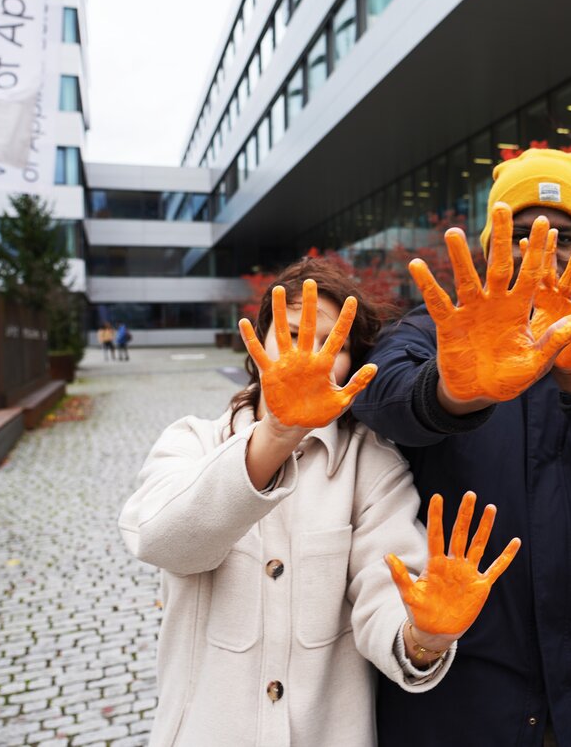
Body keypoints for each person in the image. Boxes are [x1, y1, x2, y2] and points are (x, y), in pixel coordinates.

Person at [119, 258, 520, 746]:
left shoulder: (369, 464)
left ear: (352, 364)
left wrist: (425, 637)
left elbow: (384, 588)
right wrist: (276, 434)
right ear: (258, 342)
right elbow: (164, 542)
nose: (310, 354)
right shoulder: (192, 442)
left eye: (336, 345)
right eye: (290, 332)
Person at [353, 149, 571, 746]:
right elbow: (379, 398)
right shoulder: (433, 333)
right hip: (459, 700)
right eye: (522, 233)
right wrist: (453, 391)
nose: (541, 249)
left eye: (565, 236)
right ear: (491, 246)